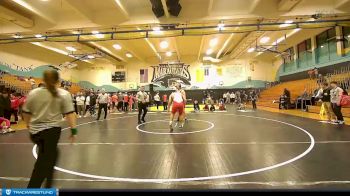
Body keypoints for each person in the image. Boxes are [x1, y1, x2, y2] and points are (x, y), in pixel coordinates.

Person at [22, 70, 77, 188]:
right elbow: (70, 114)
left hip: (35, 133)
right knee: (43, 163)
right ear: (58, 81)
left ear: (43, 80)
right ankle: (31, 190)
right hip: (51, 133)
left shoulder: (33, 93)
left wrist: (28, 125)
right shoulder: (63, 94)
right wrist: (74, 131)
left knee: (52, 156)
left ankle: (49, 186)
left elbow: (25, 112)